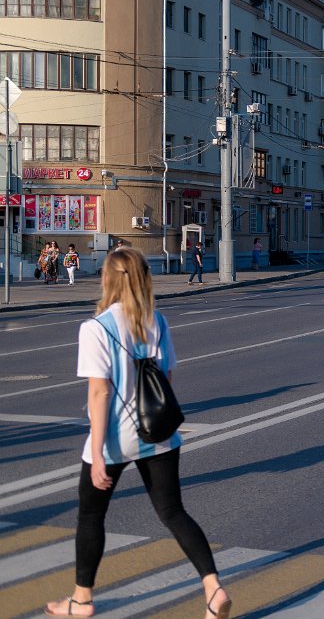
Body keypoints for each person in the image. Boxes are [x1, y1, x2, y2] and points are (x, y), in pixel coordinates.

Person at [44, 247, 231, 619]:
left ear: (107, 279)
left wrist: (99, 454)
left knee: (90, 515)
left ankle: (82, 600)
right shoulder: (157, 321)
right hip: (159, 432)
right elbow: (167, 380)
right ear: (145, 279)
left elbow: (99, 393)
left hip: (116, 438)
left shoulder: (96, 328)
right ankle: (214, 588)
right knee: (173, 512)